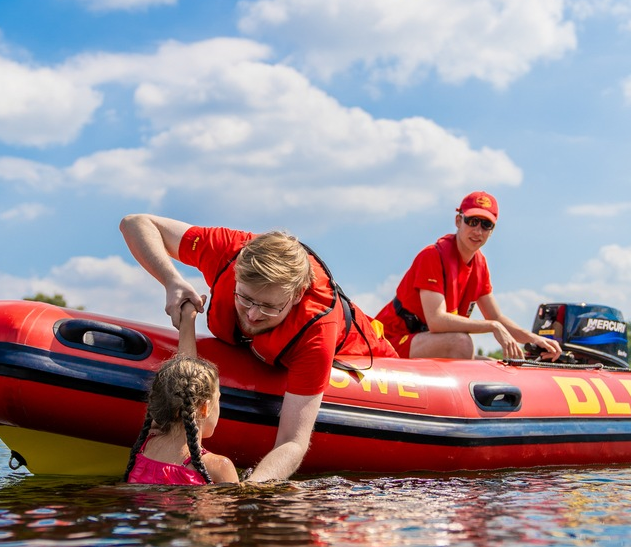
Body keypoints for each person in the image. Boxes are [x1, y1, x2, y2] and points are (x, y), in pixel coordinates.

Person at [120, 214, 397, 482]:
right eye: (245, 298)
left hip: (367, 355)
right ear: (237, 274)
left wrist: (250, 491)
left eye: (268, 306)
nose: (252, 315)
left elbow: (292, 441)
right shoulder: (227, 250)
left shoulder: (317, 332)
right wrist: (171, 280)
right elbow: (135, 223)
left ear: (297, 295)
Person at [374, 191, 563, 361]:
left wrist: (535, 339)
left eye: (486, 224)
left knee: (493, 365)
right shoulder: (432, 256)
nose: (478, 231)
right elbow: (437, 321)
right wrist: (492, 327)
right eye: (472, 222)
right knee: (461, 343)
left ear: (492, 231)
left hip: (423, 342)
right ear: (458, 221)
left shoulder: (479, 264)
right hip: (389, 341)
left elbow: (496, 316)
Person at [124, 302, 240, 485]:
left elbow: (182, 379)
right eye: (219, 399)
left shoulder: (146, 445)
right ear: (204, 408)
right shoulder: (218, 467)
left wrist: (187, 319)